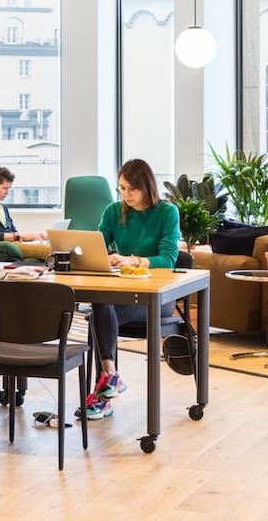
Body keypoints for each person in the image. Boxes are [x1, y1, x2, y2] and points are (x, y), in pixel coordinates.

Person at [86, 159, 180, 420]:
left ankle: (103, 393)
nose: (126, 195)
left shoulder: (167, 212)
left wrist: (132, 260)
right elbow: (97, 246)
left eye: (132, 189)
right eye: (122, 188)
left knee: (99, 318)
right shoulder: (113, 211)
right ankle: (111, 376)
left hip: (158, 297)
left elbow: (168, 260)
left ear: (147, 187)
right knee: (100, 306)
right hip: (122, 292)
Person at [0, 166, 48, 259]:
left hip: (13, 245)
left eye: (8, 189)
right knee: (49, 251)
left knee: (49, 245)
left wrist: (32, 236)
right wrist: (23, 236)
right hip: (3, 248)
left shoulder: (3, 207)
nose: (7, 192)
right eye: (4, 188)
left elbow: (13, 231)